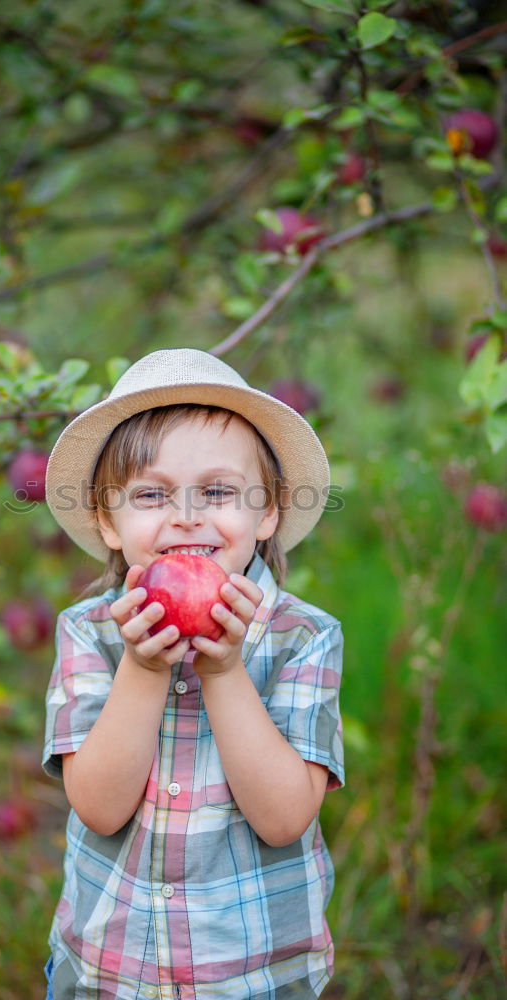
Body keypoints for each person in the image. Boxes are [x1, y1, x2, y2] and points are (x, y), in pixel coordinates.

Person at [42, 348, 344, 999]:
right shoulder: (89, 632)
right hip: (111, 973)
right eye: (151, 494)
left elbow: (285, 818)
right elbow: (97, 807)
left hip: (256, 976)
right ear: (107, 520)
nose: (186, 515)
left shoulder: (303, 638)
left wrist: (227, 671)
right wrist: (143, 671)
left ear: (267, 514)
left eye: (217, 491)